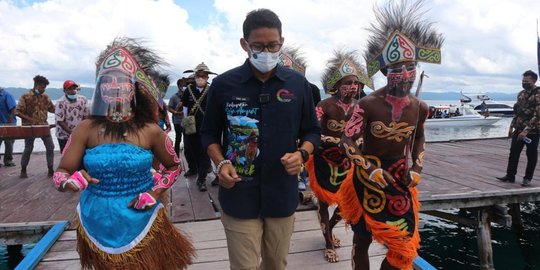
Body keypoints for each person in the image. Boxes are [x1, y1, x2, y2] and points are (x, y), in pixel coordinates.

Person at [52, 37, 195, 269]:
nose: (115, 89)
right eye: (108, 83)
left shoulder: (150, 130)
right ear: (99, 87)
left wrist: (155, 192)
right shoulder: (85, 129)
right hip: (97, 217)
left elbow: (174, 165)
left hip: (142, 215)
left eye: (121, 83)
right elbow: (62, 171)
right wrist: (68, 181)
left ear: (134, 89)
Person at [201, 9, 321, 270]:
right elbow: (208, 133)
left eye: (273, 45)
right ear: (245, 44)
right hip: (239, 193)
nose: (266, 52)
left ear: (282, 42)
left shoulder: (299, 85)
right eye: (258, 46)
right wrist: (221, 164)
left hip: (282, 193)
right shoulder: (223, 85)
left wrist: (301, 155)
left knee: (276, 264)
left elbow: (312, 130)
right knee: (244, 266)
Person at [338, 1, 444, 269]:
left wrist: (417, 166)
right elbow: (347, 140)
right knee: (362, 239)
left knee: (402, 243)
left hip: (400, 178)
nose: (406, 75)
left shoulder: (420, 107)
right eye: (398, 69)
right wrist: (370, 169)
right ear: (385, 71)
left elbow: (418, 137)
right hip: (368, 176)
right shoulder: (368, 104)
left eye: (412, 68)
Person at [305, 50, 372, 263]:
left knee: (346, 204)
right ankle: (327, 243)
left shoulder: (361, 107)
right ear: (337, 85)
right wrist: (333, 141)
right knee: (324, 202)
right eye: (348, 82)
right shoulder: (324, 105)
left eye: (356, 83)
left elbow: (366, 131)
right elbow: (312, 129)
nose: (352, 87)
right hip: (324, 160)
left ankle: (330, 228)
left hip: (348, 162)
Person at [497, 70, 540, 186]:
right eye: (523, 81)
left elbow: (537, 115)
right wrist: (512, 128)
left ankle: (527, 178)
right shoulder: (521, 94)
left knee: (531, 155)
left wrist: (526, 130)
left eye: (527, 81)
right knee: (514, 153)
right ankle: (510, 175)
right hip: (519, 128)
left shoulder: (538, 94)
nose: (524, 83)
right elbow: (517, 113)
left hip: (533, 131)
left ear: (534, 81)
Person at [182, 62, 216, 191]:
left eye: (203, 76)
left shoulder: (212, 89)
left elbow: (215, 109)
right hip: (191, 126)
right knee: (193, 151)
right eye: (198, 75)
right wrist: (184, 122)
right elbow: (185, 106)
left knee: (204, 152)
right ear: (195, 76)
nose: (200, 78)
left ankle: (201, 179)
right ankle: (201, 167)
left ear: (207, 77)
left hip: (207, 126)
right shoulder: (189, 90)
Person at [15, 75, 55, 178]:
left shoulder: (45, 97)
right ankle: (23, 170)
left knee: (50, 147)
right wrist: (29, 119)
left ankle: (50, 169)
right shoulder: (25, 97)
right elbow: (17, 112)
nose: (43, 89)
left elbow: (53, 109)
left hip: (43, 126)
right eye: (42, 87)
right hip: (30, 127)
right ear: (36, 85)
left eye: (45, 87)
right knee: (28, 148)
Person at [55, 80, 89, 153]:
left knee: (80, 153)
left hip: (79, 133)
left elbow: (85, 116)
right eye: (69, 89)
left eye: (74, 88)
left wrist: (82, 130)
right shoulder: (60, 103)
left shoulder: (83, 99)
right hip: (64, 135)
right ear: (64, 91)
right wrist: (72, 132)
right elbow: (60, 121)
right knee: (66, 154)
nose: (73, 91)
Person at [169, 78, 186, 156]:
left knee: (187, 138)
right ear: (179, 86)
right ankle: (176, 156)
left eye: (184, 86)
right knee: (178, 138)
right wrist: (176, 112)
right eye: (181, 86)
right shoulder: (173, 97)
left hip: (186, 121)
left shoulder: (187, 96)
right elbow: (169, 108)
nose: (182, 87)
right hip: (177, 121)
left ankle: (187, 154)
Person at [0, 86, 17, 167]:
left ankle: (8, 160)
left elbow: (13, 109)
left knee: (9, 142)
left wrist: (9, 121)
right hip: (0, 123)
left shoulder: (7, 95)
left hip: (9, 123)